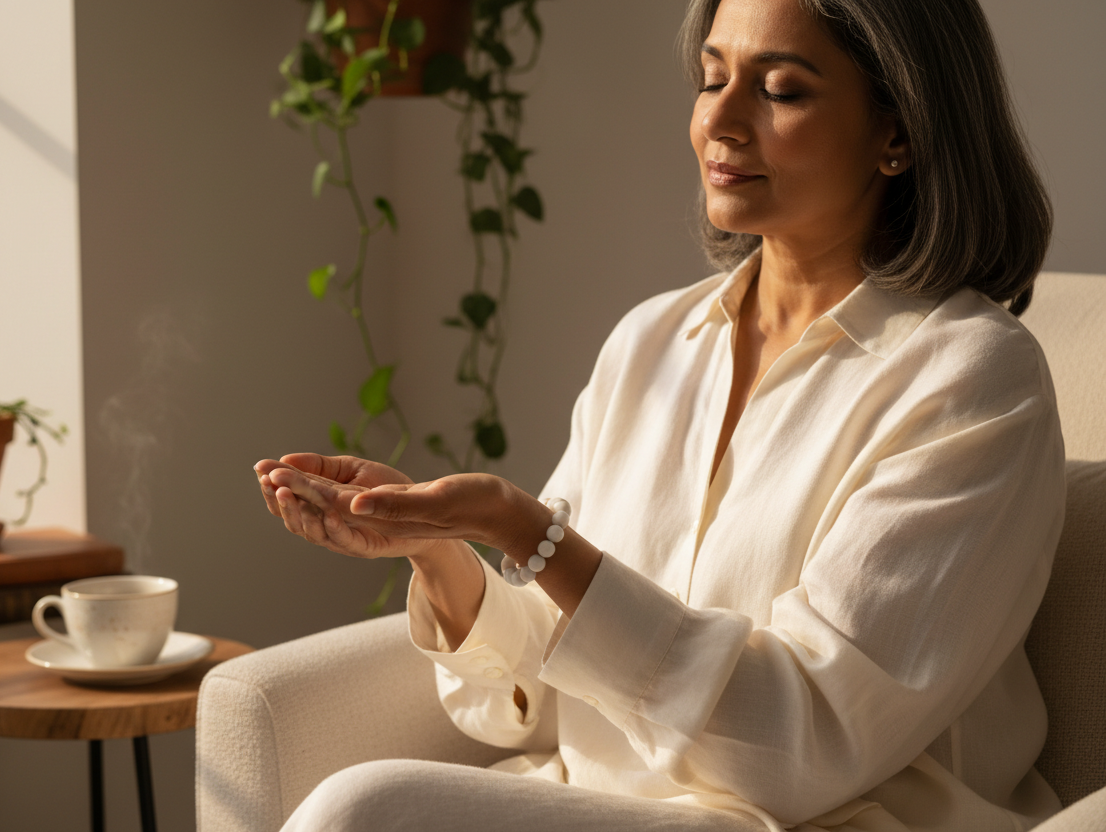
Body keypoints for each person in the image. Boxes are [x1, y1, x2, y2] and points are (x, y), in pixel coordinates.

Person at [254, 0, 1065, 829]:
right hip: (601, 806)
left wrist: (529, 533)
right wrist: (442, 551)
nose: (721, 118)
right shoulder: (650, 343)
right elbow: (526, 695)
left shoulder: (973, 379)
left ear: (899, 131)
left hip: (813, 821)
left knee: (363, 810)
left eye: (781, 90)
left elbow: (803, 749)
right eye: (713, 78)